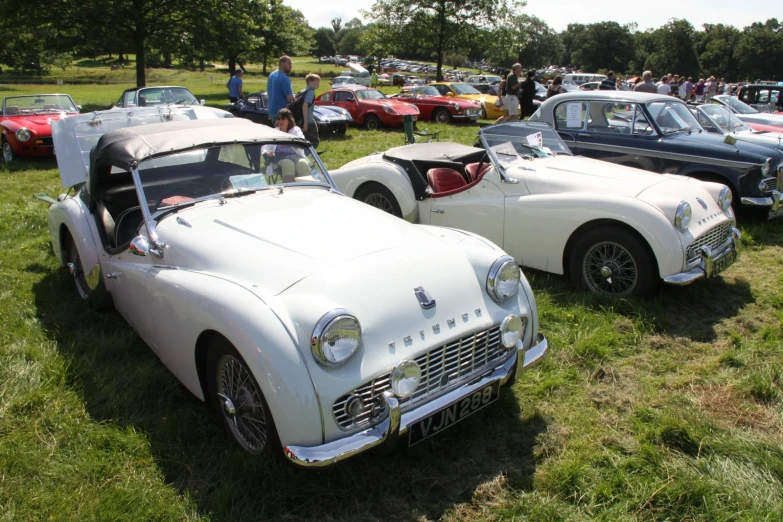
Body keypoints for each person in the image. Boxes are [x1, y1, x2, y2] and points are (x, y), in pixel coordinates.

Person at [263, 108, 310, 183]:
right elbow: (265, 147)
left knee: (303, 163)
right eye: (278, 118)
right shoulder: (274, 132)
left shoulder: (296, 130)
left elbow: (302, 143)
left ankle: (307, 186)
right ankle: (289, 186)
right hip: (279, 157)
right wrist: (267, 153)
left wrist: (297, 145)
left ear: (289, 120)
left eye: (283, 119)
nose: (280, 121)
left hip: (295, 155)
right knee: (288, 164)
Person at [267, 55, 295, 125]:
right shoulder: (284, 79)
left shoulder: (272, 74)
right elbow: (290, 98)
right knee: (284, 135)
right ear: (282, 64)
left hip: (272, 110)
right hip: (281, 113)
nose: (291, 66)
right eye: (288, 63)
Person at [299, 73, 321, 149]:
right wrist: (306, 123)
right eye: (316, 82)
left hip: (299, 120)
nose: (318, 84)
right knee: (314, 142)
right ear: (309, 82)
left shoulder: (303, 91)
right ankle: (306, 156)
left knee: (303, 141)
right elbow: (305, 106)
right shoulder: (311, 92)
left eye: (318, 82)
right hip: (308, 120)